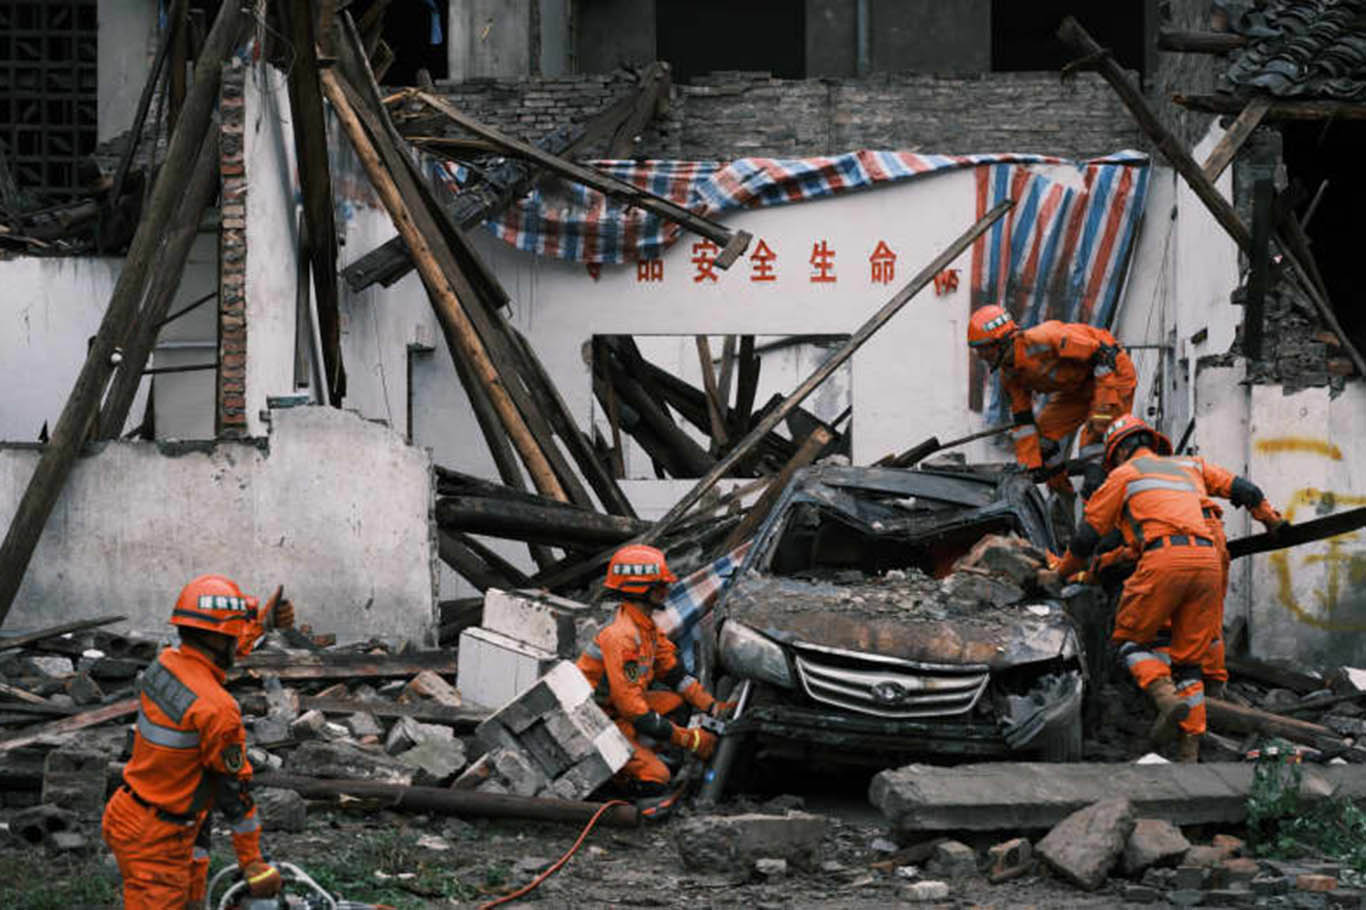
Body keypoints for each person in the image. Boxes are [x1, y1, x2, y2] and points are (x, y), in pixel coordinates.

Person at [1051, 416, 1273, 762]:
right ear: (1152, 442)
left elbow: (1086, 538)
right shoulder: (1187, 469)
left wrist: (1061, 574)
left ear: (1121, 450)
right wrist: (1272, 521)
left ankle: (1167, 699)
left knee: (1127, 643)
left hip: (1165, 559)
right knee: (1188, 663)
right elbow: (1247, 491)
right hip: (1209, 561)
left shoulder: (1125, 474)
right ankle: (1189, 748)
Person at [102, 575, 283, 908]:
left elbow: (217, 649)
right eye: (236, 634)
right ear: (223, 639)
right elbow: (234, 795)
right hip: (159, 840)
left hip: (133, 813)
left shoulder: (165, 665)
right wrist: (252, 862)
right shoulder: (218, 709)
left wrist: (260, 625)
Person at [577, 545, 731, 805]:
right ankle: (617, 778)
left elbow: (674, 674)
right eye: (660, 586)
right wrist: (691, 740)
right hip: (596, 721)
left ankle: (646, 754)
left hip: (616, 710)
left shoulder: (645, 627)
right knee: (656, 778)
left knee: (677, 703)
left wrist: (712, 706)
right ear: (640, 590)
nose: (667, 590)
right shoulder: (622, 637)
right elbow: (633, 710)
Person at [967, 305, 1136, 496]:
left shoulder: (1046, 338)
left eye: (984, 349)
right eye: (977, 351)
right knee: (1043, 442)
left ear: (1002, 341)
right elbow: (1024, 423)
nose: (981, 356)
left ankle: (1105, 498)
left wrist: (1102, 418)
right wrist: (1030, 466)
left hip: (1113, 377)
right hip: (1079, 389)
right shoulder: (1010, 375)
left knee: (1094, 440)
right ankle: (1062, 500)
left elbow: (1104, 358)